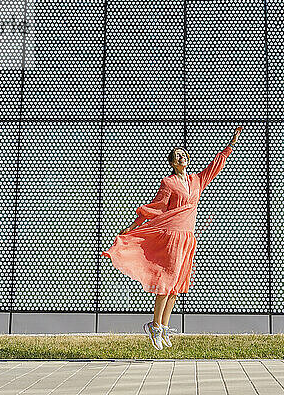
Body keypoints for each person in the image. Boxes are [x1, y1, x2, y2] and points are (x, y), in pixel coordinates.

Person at [102, 126, 242, 350]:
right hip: (172, 237)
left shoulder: (196, 181)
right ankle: (154, 326)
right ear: (173, 162)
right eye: (177, 155)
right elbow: (157, 208)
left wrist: (230, 146)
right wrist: (132, 226)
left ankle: (164, 326)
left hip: (188, 237)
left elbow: (213, 168)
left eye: (184, 154)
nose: (182, 156)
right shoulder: (168, 183)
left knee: (178, 285)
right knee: (166, 282)